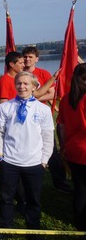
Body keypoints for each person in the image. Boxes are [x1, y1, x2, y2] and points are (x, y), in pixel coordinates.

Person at [0, 71, 54, 240]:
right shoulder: (6, 107)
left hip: (34, 162)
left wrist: (44, 160)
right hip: (9, 161)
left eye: (26, 83)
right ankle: (6, 228)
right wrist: (0, 155)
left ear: (34, 87)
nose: (22, 86)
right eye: (19, 83)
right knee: (6, 197)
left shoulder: (43, 110)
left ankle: (33, 229)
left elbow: (48, 137)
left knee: (33, 198)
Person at [23, 46, 72, 194]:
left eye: (30, 57)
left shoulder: (43, 74)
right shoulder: (20, 73)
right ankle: (24, 184)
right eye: (25, 57)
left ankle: (60, 182)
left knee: (51, 149)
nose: (27, 59)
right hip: (24, 116)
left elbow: (52, 94)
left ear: (36, 59)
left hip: (41, 115)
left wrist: (33, 98)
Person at [57, 63, 86, 240]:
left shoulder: (67, 99)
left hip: (74, 150)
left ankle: (81, 230)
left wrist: (63, 147)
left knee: (80, 190)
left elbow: (61, 126)